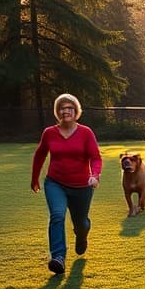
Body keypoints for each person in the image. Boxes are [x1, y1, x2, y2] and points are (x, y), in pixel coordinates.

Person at [31, 93, 102, 275]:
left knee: (81, 223)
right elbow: (39, 155)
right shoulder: (49, 133)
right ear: (58, 112)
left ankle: (82, 235)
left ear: (76, 111)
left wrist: (95, 175)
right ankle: (58, 257)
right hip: (55, 183)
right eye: (62, 108)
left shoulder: (86, 132)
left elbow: (95, 157)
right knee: (57, 215)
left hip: (82, 186)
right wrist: (35, 178)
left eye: (69, 108)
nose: (66, 111)